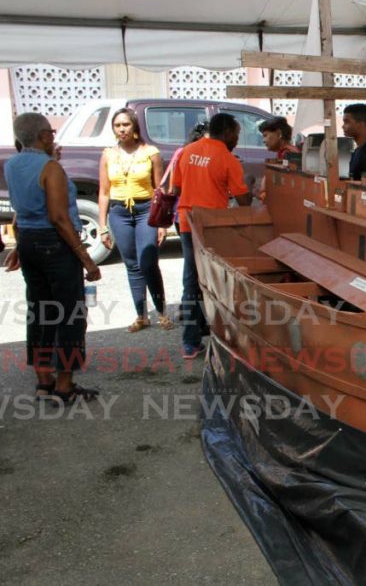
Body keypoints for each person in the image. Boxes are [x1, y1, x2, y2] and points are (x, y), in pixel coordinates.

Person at [4, 112, 101, 404]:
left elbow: (20, 211)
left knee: (41, 309)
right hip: (54, 244)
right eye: (51, 133)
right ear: (44, 136)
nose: (54, 137)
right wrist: (87, 260)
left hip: (30, 242)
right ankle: (64, 385)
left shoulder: (12, 165)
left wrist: (19, 246)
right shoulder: (50, 168)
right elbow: (59, 218)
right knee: (69, 314)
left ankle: (43, 381)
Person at [169, 113, 252, 359]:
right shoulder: (228, 159)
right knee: (217, 279)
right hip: (213, 226)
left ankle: (191, 341)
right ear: (227, 132)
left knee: (191, 280)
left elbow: (177, 188)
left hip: (187, 222)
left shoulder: (187, 151)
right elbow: (244, 200)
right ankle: (216, 334)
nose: (237, 139)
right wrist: (249, 184)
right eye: (236, 133)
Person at [97, 108, 172, 332]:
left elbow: (160, 190)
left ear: (135, 127)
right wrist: (102, 226)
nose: (122, 129)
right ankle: (141, 315)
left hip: (145, 210)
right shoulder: (108, 154)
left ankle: (161, 311)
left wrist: (162, 224)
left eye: (126, 125)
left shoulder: (151, 152)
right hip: (119, 212)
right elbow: (103, 191)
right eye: (117, 125)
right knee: (131, 265)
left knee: (148, 262)